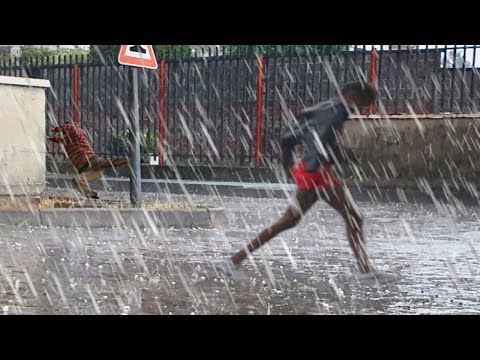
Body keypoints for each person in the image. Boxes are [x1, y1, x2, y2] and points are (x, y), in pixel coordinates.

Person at [215, 81, 401, 284]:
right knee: (347, 217)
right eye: (365, 103)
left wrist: (289, 164)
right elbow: (322, 141)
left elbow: (290, 138)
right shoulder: (338, 111)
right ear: (356, 96)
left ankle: (234, 260)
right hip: (316, 172)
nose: (363, 108)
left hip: (315, 170)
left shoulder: (325, 108)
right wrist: (337, 155)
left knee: (296, 220)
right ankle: (365, 272)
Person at [47, 121, 129, 199]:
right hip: (90, 171)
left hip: (91, 161)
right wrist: (49, 138)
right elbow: (59, 140)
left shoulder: (78, 133)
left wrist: (55, 129)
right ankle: (91, 196)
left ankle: (130, 160)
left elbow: (71, 128)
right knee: (76, 180)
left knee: (108, 163)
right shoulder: (67, 140)